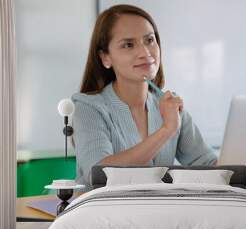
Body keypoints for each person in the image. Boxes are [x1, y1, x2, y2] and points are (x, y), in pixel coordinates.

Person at [72, 4, 217, 188]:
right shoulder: (88, 106)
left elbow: (207, 164)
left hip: (157, 213)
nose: (145, 53)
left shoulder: (170, 105)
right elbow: (99, 174)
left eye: (149, 40)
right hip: (103, 213)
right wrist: (166, 131)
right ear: (105, 58)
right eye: (128, 45)